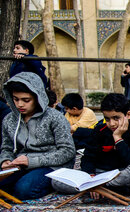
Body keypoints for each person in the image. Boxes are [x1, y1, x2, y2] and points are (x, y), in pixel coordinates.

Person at [52, 94, 130, 196]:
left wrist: (118, 138)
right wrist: (91, 176)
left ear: (128, 115)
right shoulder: (99, 130)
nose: (111, 123)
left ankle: (97, 188)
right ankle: (111, 189)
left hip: (121, 174)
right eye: (107, 119)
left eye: (116, 118)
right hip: (98, 174)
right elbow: (88, 158)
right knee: (57, 182)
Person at [0, 72, 75, 200]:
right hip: (21, 164)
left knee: (23, 190)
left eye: (26, 100)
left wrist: (31, 161)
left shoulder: (55, 117)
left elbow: (68, 151)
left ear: (37, 97)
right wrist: (6, 160)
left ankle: (53, 185)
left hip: (52, 165)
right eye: (15, 99)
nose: (20, 105)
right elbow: (7, 147)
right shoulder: (9, 120)